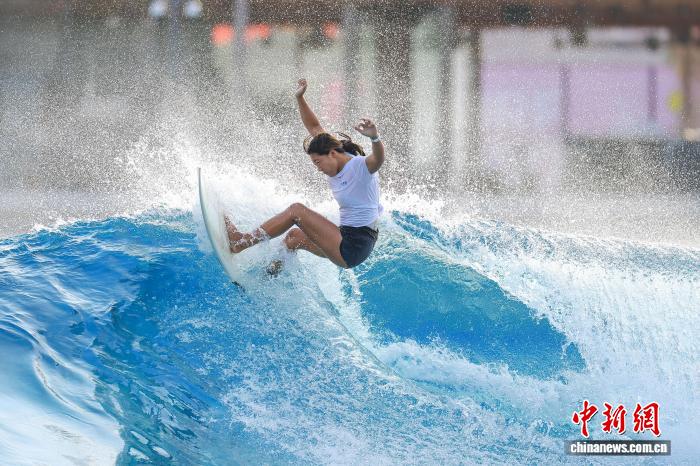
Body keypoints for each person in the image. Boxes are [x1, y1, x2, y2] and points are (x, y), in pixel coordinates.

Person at [224, 78, 384, 269]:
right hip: (348, 238)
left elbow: (378, 159)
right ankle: (267, 279)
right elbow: (314, 127)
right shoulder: (332, 151)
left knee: (296, 211)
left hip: (354, 245)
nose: (318, 168)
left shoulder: (359, 167)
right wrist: (300, 98)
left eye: (318, 162)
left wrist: (375, 138)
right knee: (293, 238)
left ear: (332, 154)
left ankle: (241, 242)